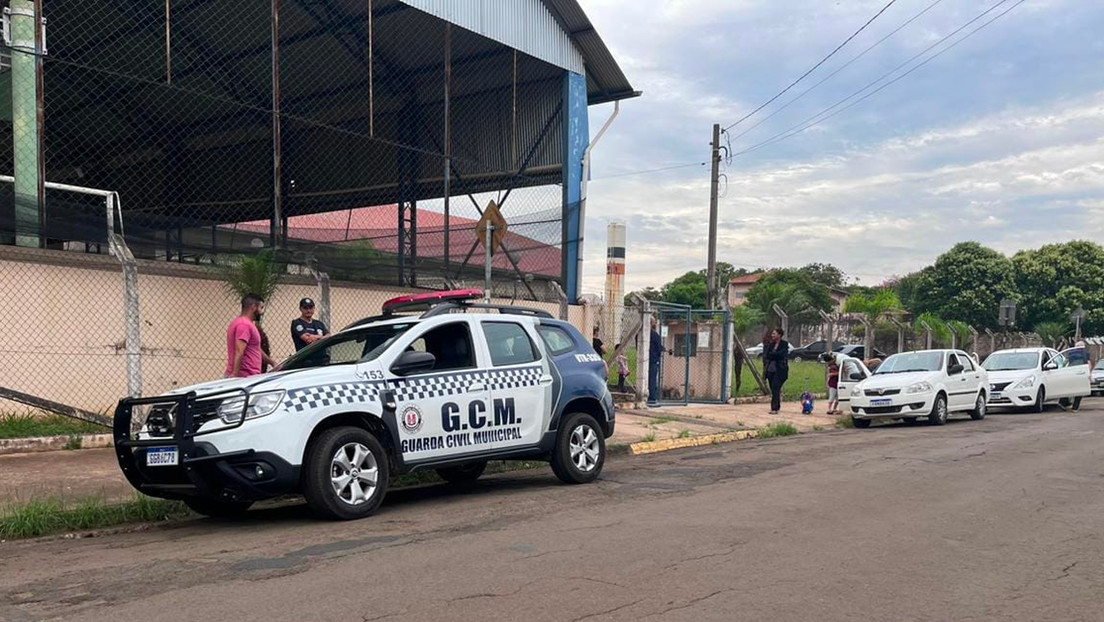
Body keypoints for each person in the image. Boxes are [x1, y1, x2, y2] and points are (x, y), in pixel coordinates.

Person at [226, 293, 276, 378]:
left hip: (249, 376)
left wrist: (272, 363)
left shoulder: (243, 323)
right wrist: (235, 375)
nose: (262, 312)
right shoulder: (244, 325)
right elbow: (239, 351)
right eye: (261, 308)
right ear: (253, 307)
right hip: (244, 377)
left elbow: (256, 348)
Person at [763, 327, 790, 414]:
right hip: (771, 369)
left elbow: (782, 354)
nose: (772, 335)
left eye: (774, 334)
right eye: (772, 334)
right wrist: (775, 355)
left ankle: (774, 408)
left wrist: (774, 354)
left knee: (776, 387)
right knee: (774, 389)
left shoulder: (784, 344)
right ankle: (776, 406)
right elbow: (767, 355)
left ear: (779, 335)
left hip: (780, 369)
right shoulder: (771, 344)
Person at [648, 318, 663, 405]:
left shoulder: (641, 334)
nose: (656, 323)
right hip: (654, 360)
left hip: (646, 359)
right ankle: (652, 397)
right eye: (655, 322)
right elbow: (658, 348)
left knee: (649, 378)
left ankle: (649, 396)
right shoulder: (655, 335)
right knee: (653, 379)